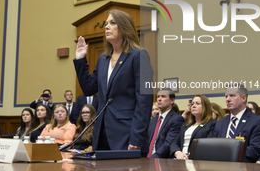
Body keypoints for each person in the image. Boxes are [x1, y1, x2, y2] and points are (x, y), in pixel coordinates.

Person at [74, 9, 153, 155]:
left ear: (124, 27)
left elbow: (144, 102)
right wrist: (80, 60)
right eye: (106, 23)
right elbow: (89, 89)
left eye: (112, 23)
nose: (106, 26)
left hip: (127, 135)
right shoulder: (103, 59)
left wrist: (136, 138)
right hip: (102, 134)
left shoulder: (138, 55)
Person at [213, 84, 260, 163]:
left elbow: (254, 150)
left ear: (243, 98)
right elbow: (214, 147)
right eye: (226, 96)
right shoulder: (220, 123)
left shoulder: (258, 121)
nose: (228, 99)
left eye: (232, 96)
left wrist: (226, 153)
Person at [170, 95, 216, 159]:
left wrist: (189, 156)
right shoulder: (186, 125)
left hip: (197, 160)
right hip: (180, 159)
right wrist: (177, 152)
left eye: (197, 103)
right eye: (192, 104)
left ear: (205, 107)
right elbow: (174, 143)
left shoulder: (212, 125)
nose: (193, 106)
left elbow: (208, 146)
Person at [147, 89, 184, 158]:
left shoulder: (176, 119)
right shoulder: (153, 120)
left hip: (163, 160)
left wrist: (152, 158)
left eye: (163, 96)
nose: (159, 99)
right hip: (147, 158)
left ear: (172, 101)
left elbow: (169, 144)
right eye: (158, 97)